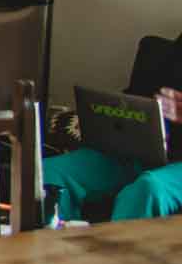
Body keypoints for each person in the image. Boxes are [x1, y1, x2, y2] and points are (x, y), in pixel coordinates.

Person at [44, 33, 182, 222]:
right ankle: (48, 247)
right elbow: (140, 96)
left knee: (148, 189)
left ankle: (114, 252)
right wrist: (119, 111)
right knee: (51, 172)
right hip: (140, 150)